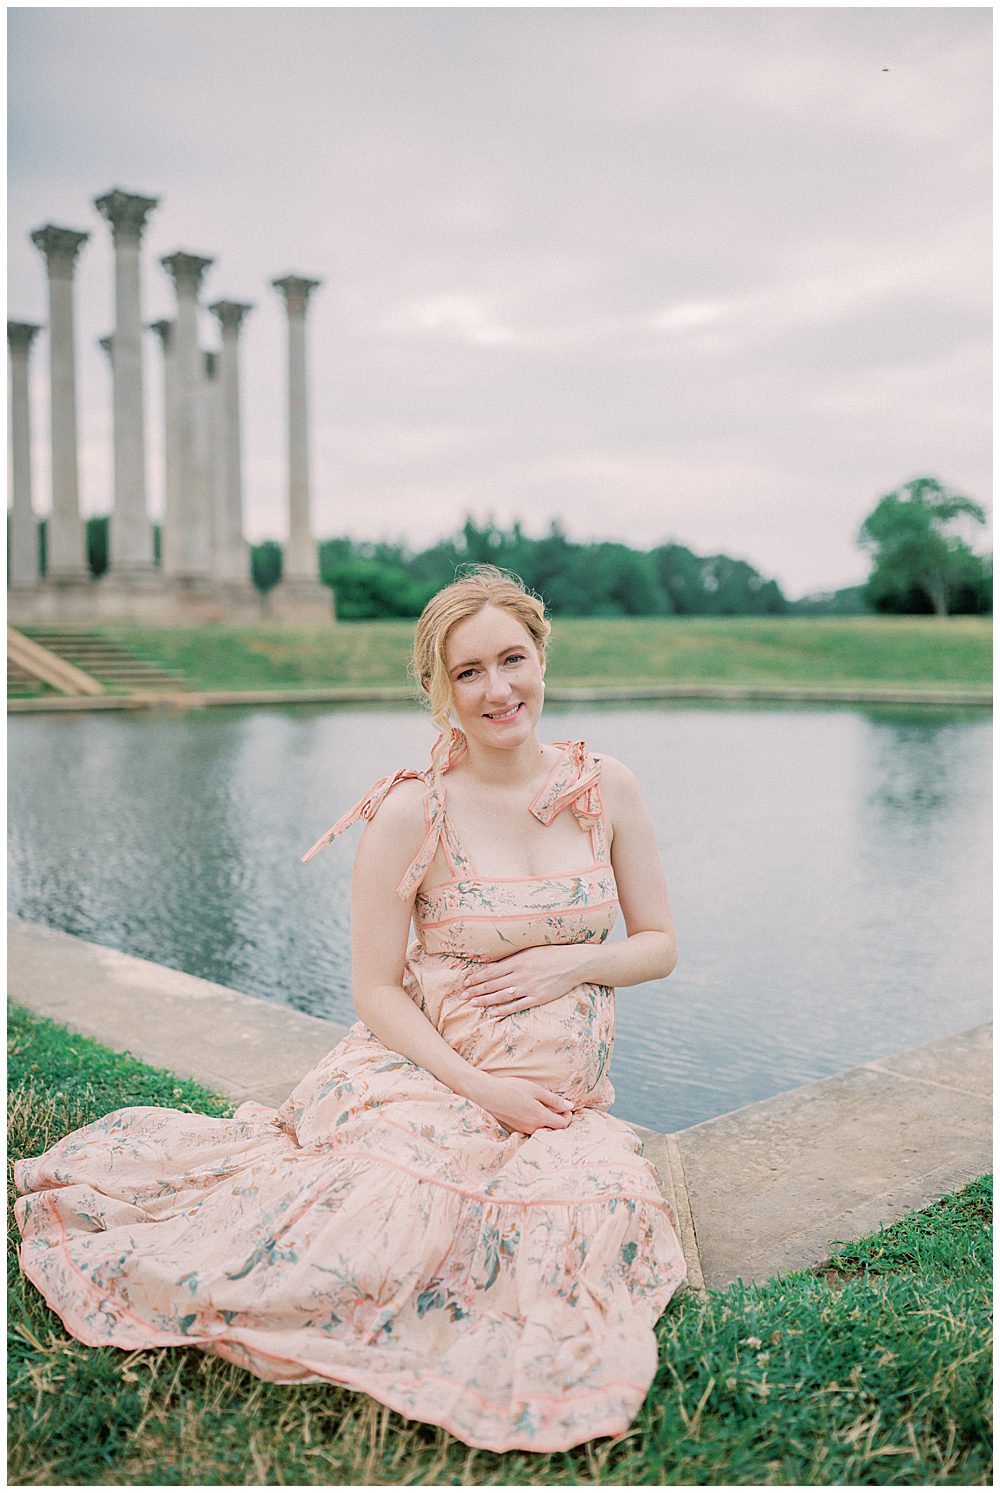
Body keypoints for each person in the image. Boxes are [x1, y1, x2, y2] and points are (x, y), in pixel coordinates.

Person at [14, 565, 686, 1454]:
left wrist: (574, 961)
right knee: (372, 1237)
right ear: (437, 691)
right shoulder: (412, 811)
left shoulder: (607, 787)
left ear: (541, 655)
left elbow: (659, 944)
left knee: (587, 1223)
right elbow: (375, 992)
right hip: (431, 1076)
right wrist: (482, 1088)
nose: (498, 689)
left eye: (511, 659)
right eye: (468, 672)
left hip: (559, 1109)